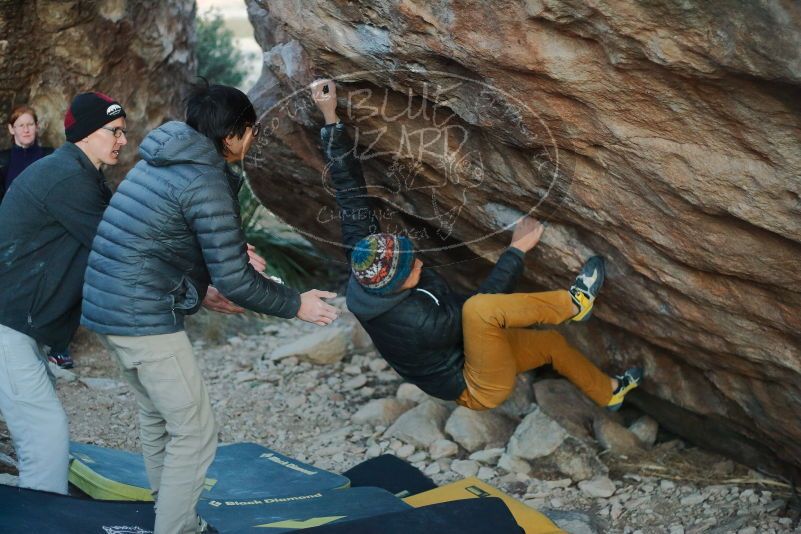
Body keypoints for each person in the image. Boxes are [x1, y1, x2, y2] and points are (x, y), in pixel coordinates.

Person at [81, 82, 339, 534]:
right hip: (142, 316)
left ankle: (172, 514)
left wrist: (223, 260)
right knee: (196, 432)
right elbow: (235, 280)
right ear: (233, 133)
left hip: (108, 306)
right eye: (251, 130)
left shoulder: (162, 159)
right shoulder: (205, 178)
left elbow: (164, 238)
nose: (252, 139)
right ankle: (176, 527)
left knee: (159, 417)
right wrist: (295, 303)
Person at [311, 79, 642, 412]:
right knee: (479, 310)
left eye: (412, 256)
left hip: (470, 351)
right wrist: (517, 249)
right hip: (476, 385)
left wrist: (330, 118)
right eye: (411, 268)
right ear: (393, 287)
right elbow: (486, 304)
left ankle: (610, 392)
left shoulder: (365, 257)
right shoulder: (419, 322)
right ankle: (574, 304)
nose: (420, 263)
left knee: (550, 344)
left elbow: (350, 194)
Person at [0, 92, 128, 494]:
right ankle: (41, 516)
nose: (123, 140)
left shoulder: (80, 173)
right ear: (88, 133)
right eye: (115, 131)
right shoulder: (69, 179)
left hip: (20, 323)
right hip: (8, 325)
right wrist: (203, 286)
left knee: (40, 430)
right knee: (45, 436)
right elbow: (120, 247)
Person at [0, 104, 54, 203]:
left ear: (37, 126)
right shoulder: (2, 161)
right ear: (11, 129)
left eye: (30, 124)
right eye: (21, 125)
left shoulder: (51, 157)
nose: (26, 130)